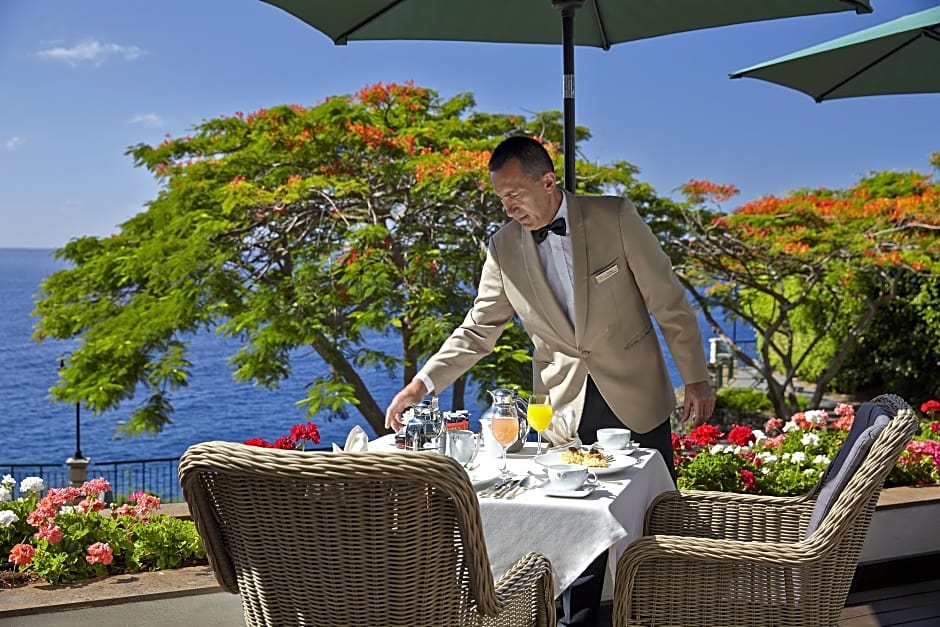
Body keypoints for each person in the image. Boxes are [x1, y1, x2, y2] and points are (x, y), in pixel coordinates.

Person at [385, 135, 715, 626]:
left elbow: (667, 302)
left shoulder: (614, 217)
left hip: (637, 397)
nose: (508, 207)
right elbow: (477, 330)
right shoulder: (502, 249)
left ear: (547, 181)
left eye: (515, 194)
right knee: (576, 534)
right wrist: (420, 386)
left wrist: (695, 378)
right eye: (501, 198)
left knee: (654, 528)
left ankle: (664, 617)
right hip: (564, 409)